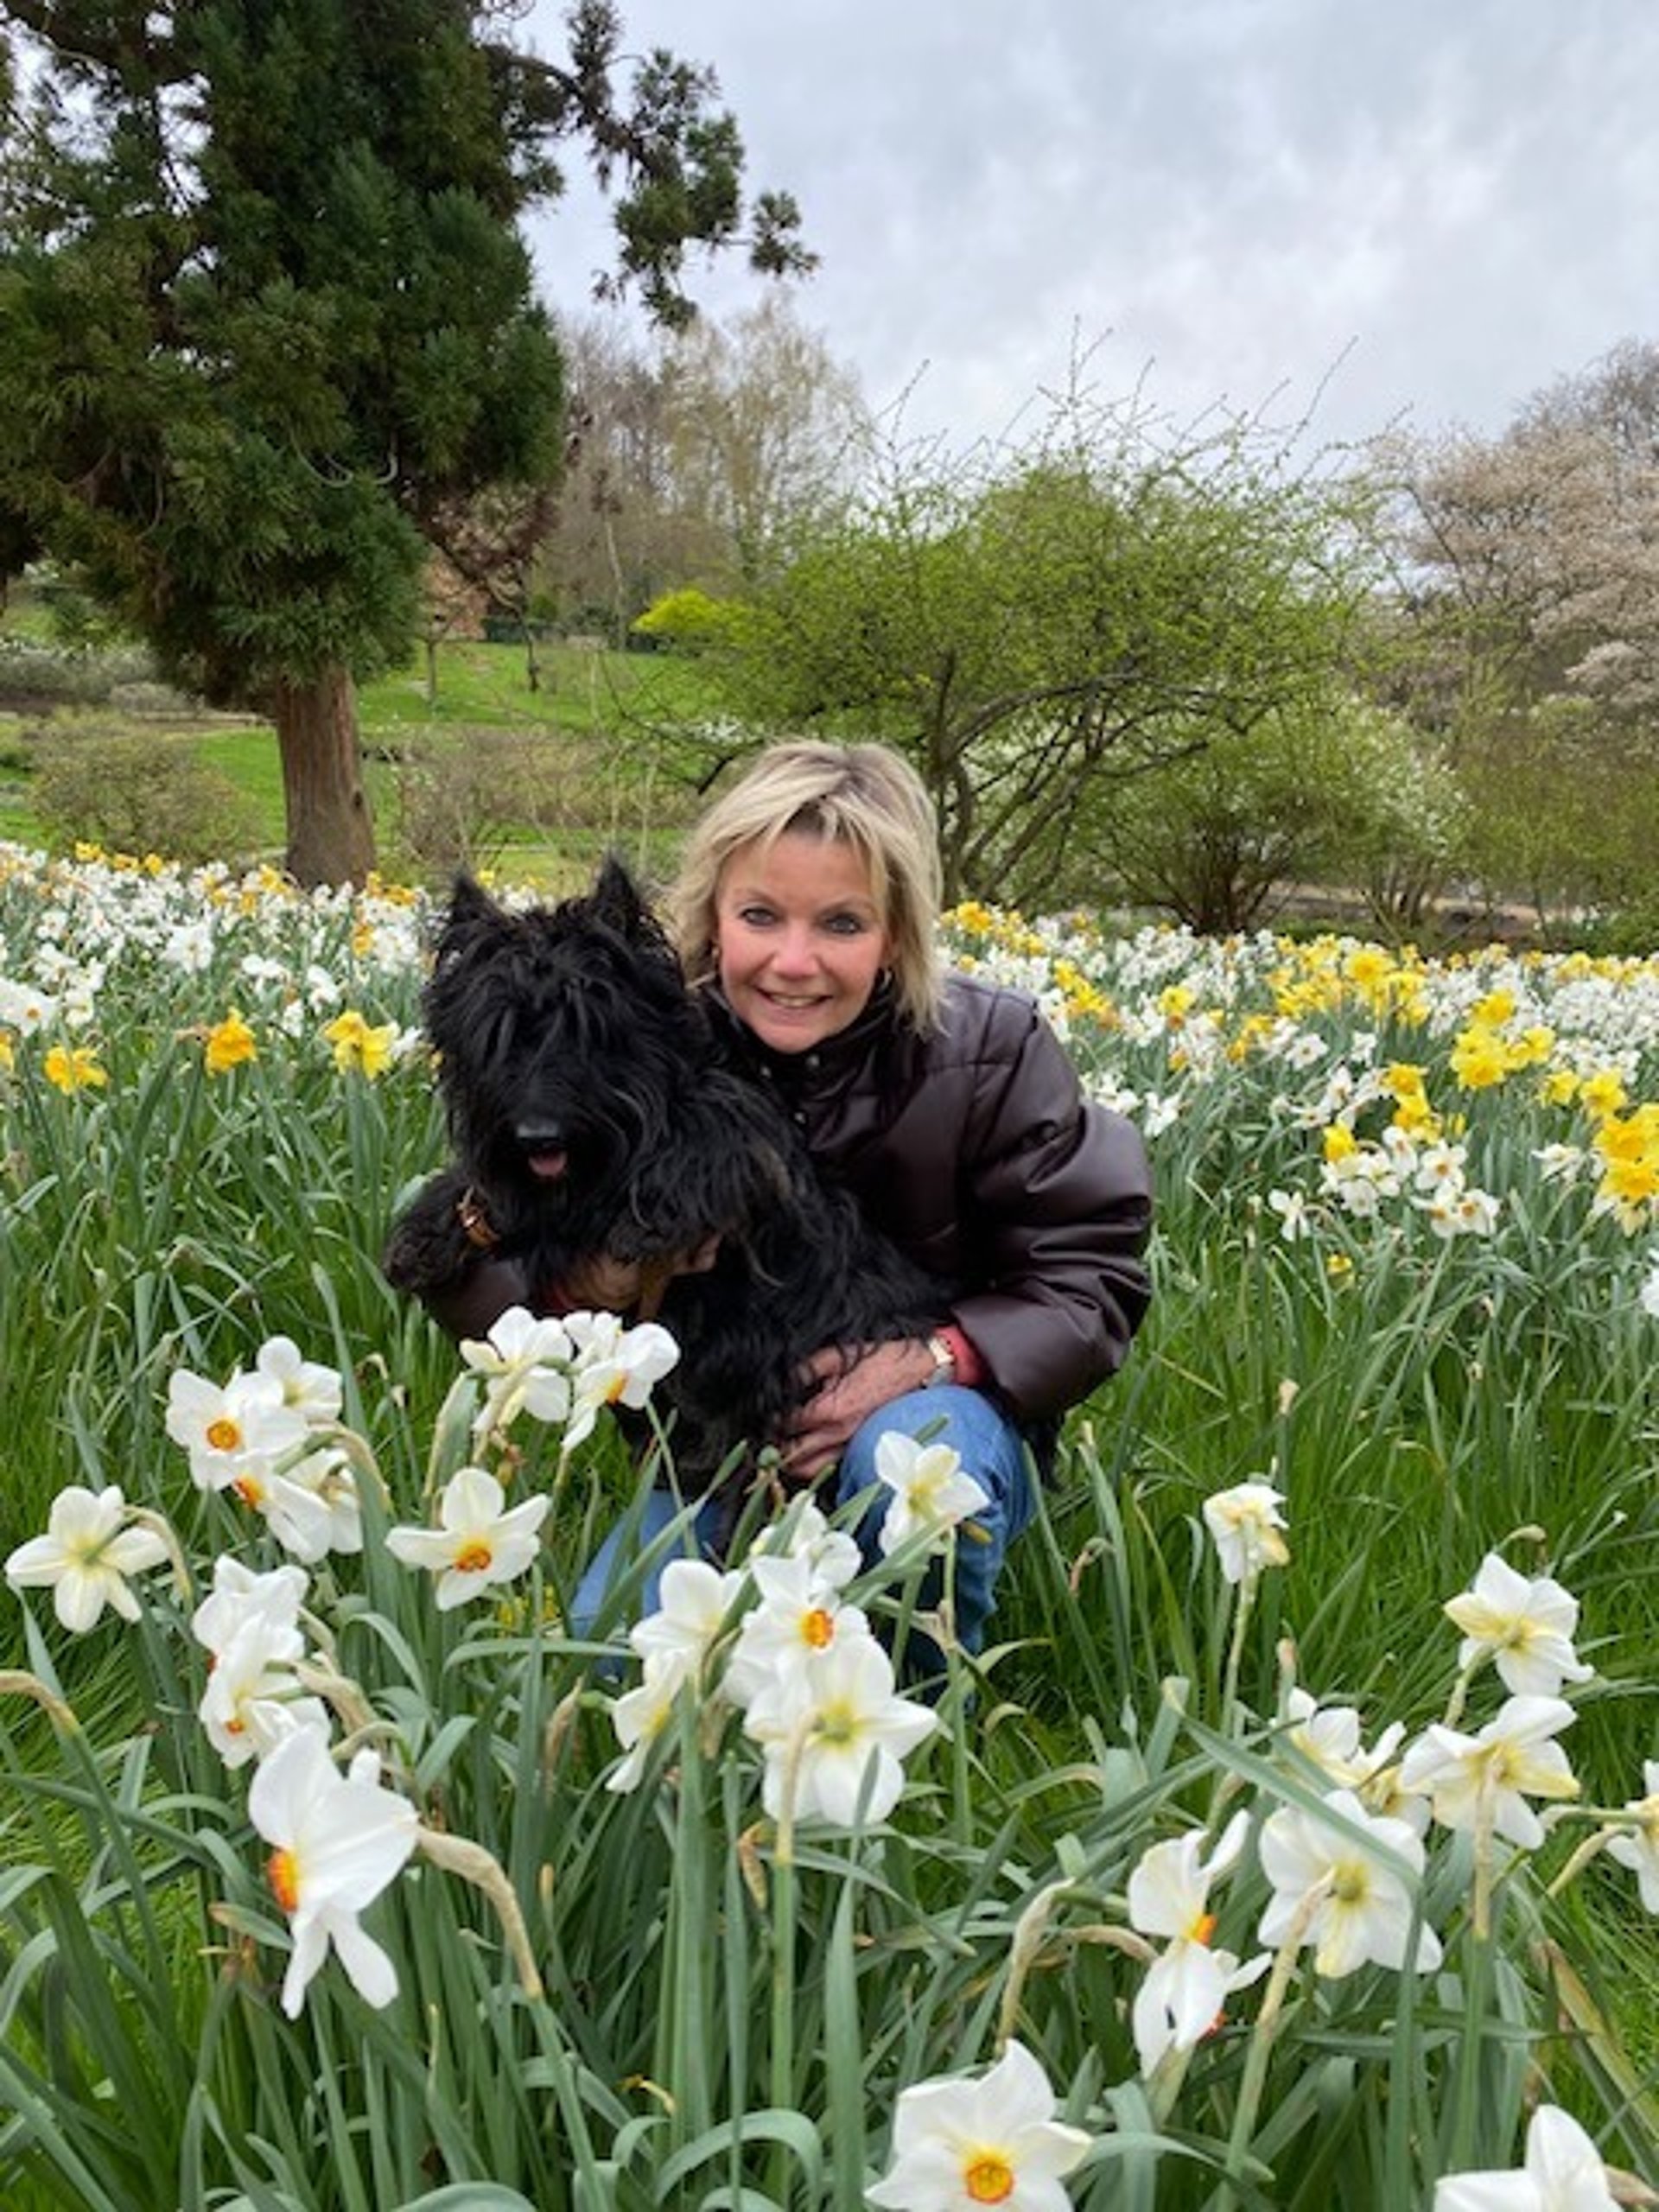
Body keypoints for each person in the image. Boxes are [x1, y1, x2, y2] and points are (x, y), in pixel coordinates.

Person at [569, 739, 1154, 1657]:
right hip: (720, 1453)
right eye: (760, 915)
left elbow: (1088, 1283)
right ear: (712, 916)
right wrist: (603, 1276)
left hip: (944, 1410)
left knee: (909, 1481)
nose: (793, 962)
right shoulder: (656, 1059)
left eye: (841, 924)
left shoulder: (992, 1049)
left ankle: (911, 1716)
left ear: (897, 932)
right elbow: (509, 1263)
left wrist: (934, 1355)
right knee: (609, 1654)